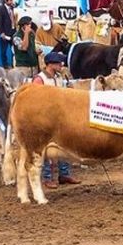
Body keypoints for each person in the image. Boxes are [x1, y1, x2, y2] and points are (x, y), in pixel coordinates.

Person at [34, 52, 80, 188]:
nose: (61, 65)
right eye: (58, 63)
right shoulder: (40, 79)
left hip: (59, 117)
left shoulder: (59, 78)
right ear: (50, 64)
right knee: (46, 147)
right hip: (45, 117)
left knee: (64, 145)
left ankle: (64, 173)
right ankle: (47, 177)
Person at [0, 0, 16, 68]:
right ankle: (5, 64)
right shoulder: (1, 9)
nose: (11, 2)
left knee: (14, 49)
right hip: (5, 32)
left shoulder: (12, 8)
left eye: (12, 0)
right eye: (10, 0)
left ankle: (14, 64)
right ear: (6, 1)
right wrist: (2, 32)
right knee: (4, 50)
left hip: (12, 31)